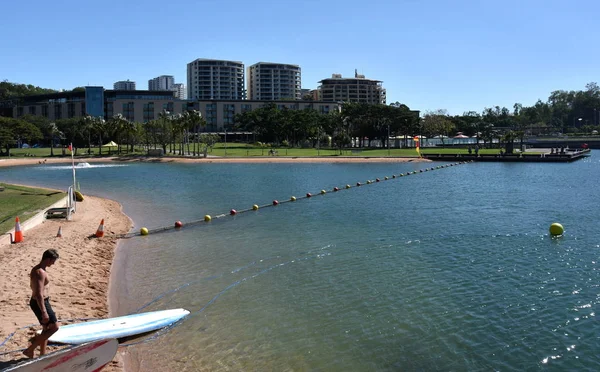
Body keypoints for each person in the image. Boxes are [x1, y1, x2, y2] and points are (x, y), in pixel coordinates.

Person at [23, 249, 60, 358]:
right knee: (55, 327)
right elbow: (39, 294)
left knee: (46, 329)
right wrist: (44, 311)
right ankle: (30, 349)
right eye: (53, 261)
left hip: (39, 302)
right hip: (40, 302)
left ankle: (42, 354)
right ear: (48, 259)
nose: (53, 263)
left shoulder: (37, 269)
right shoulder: (40, 272)